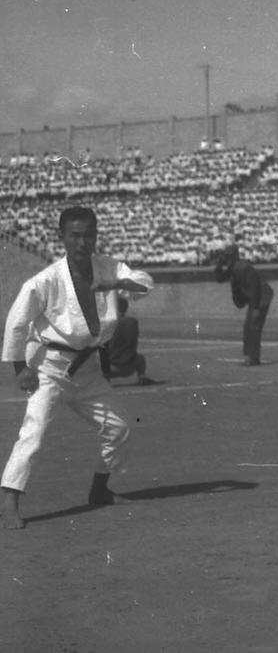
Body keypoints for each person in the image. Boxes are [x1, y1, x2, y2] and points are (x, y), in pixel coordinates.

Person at [1, 206, 153, 530]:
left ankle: (100, 490)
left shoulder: (108, 268)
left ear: (96, 236)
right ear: (63, 238)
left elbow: (144, 282)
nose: (83, 242)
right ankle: (9, 500)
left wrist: (117, 281)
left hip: (88, 371)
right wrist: (20, 369)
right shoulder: (46, 281)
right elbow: (17, 324)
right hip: (50, 368)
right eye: (76, 236)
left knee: (120, 428)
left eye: (89, 235)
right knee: (35, 431)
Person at [214, 243, 273, 366]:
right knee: (248, 327)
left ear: (234, 256)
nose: (227, 259)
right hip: (255, 297)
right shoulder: (233, 268)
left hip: (261, 296)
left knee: (253, 326)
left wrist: (256, 308)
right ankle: (250, 356)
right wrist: (218, 265)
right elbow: (219, 278)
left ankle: (253, 358)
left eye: (228, 256)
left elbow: (255, 287)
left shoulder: (243, 267)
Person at [104, 296, 151, 383]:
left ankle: (105, 379)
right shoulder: (133, 322)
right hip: (130, 367)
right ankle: (142, 376)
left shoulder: (108, 324)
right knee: (140, 358)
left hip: (111, 368)